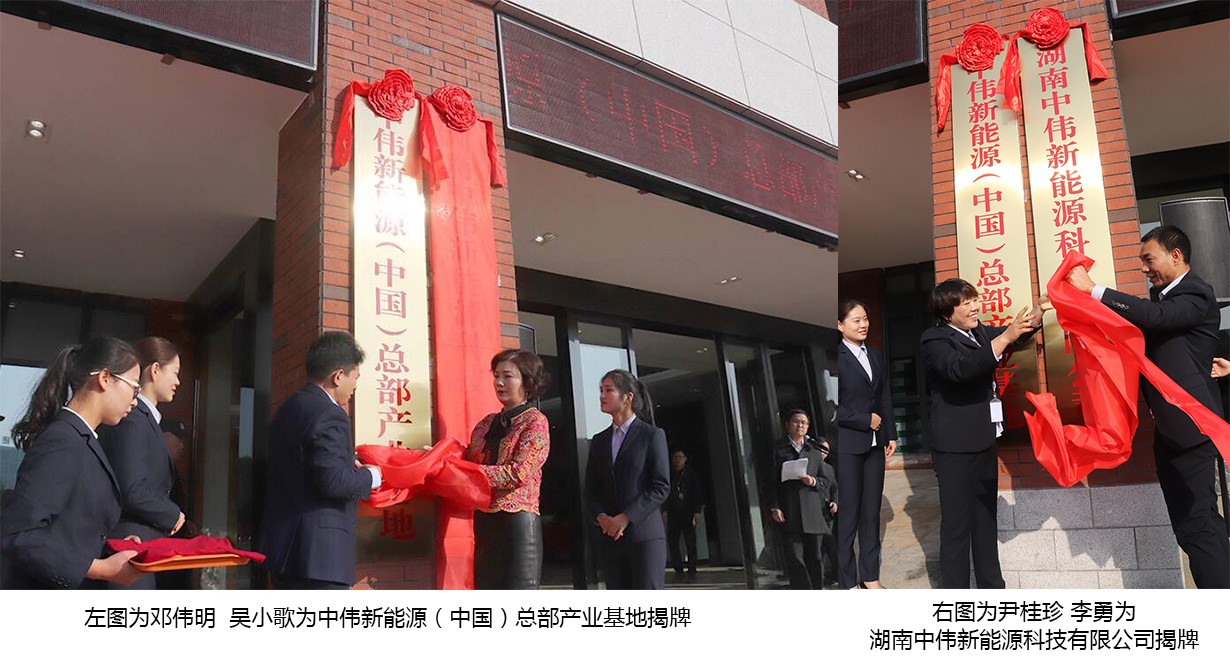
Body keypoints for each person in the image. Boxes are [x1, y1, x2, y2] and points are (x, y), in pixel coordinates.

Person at [1065, 225, 1229, 588]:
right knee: (1198, 525)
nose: (1144, 268)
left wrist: (1093, 290)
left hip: (1192, 429)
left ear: (1175, 255)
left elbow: (1156, 318)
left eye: (1148, 259)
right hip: (1171, 432)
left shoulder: (1195, 292)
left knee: (1196, 527)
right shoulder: (1165, 300)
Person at [1, 337, 148, 589]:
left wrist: (111, 546)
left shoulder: (83, 439)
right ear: (104, 378)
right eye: (134, 387)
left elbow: (70, 527)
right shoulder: (62, 440)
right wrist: (99, 568)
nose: (135, 400)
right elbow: (19, 534)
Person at [921, 279, 1040, 589]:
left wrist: (1037, 314)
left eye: (975, 300)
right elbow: (961, 369)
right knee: (957, 526)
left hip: (983, 440)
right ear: (947, 312)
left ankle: (992, 587)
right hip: (954, 447)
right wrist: (1006, 337)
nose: (975, 307)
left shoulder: (978, 332)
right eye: (966, 303)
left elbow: (1012, 337)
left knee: (985, 519)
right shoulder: (934, 339)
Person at [257, 331, 383, 590]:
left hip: (283, 552)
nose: (355, 386)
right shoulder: (330, 414)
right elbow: (334, 482)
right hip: (320, 559)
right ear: (338, 376)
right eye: (355, 378)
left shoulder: (287, 409)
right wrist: (372, 476)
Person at [100, 337, 187, 589]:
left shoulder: (145, 419)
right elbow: (132, 487)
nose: (178, 382)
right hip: (130, 547)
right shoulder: (134, 418)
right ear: (155, 370)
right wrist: (172, 513)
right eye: (175, 372)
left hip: (141, 545)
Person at [464, 349, 551, 590]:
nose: (499, 382)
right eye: (496, 376)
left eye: (508, 376)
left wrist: (470, 473)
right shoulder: (486, 423)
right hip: (484, 521)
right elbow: (469, 457)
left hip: (517, 523)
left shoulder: (535, 421)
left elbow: (518, 473)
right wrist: (440, 457)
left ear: (527, 382)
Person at [585, 369, 670, 590]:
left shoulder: (651, 435)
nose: (602, 396)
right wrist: (602, 517)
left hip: (645, 537)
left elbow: (660, 486)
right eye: (601, 390)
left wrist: (625, 517)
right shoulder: (599, 441)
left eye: (608, 390)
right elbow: (591, 489)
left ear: (627, 397)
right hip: (611, 539)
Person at [836, 299, 896, 589]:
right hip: (848, 444)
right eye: (856, 320)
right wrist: (864, 420)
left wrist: (890, 433)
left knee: (871, 513)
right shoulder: (836, 357)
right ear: (840, 325)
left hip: (875, 445)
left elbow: (884, 396)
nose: (863, 325)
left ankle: (870, 578)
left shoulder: (874, 355)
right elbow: (830, 407)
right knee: (848, 514)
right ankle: (848, 582)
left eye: (865, 319)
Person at [769, 409, 837, 589]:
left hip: (812, 511)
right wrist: (774, 506)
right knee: (795, 557)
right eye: (796, 421)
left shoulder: (814, 450)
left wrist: (812, 481)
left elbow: (825, 481)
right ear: (787, 424)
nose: (800, 425)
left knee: (815, 557)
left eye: (804, 423)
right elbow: (770, 481)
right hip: (789, 510)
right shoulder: (778, 449)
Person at [663, 449, 705, 583]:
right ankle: (678, 567)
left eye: (681, 457)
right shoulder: (669, 475)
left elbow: (697, 493)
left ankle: (692, 567)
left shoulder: (691, 475)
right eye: (676, 457)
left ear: (685, 459)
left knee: (690, 541)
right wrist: (664, 510)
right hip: (673, 513)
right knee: (673, 541)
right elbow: (664, 492)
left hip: (688, 513)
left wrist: (697, 511)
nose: (678, 460)